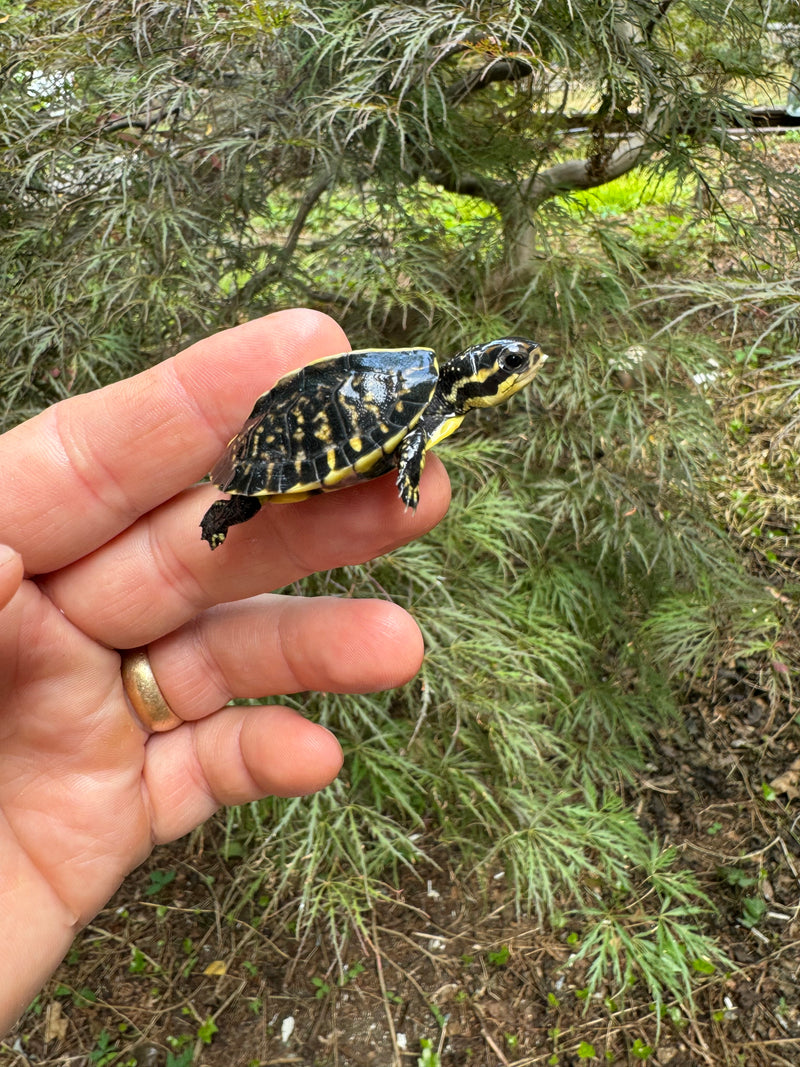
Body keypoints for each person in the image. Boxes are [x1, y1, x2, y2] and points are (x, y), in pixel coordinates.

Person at [0, 309, 450, 1035]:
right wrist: (405, 464)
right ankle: (233, 504)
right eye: (515, 365)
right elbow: (398, 442)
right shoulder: (423, 401)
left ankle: (233, 505)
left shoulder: (426, 392)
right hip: (299, 444)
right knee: (251, 507)